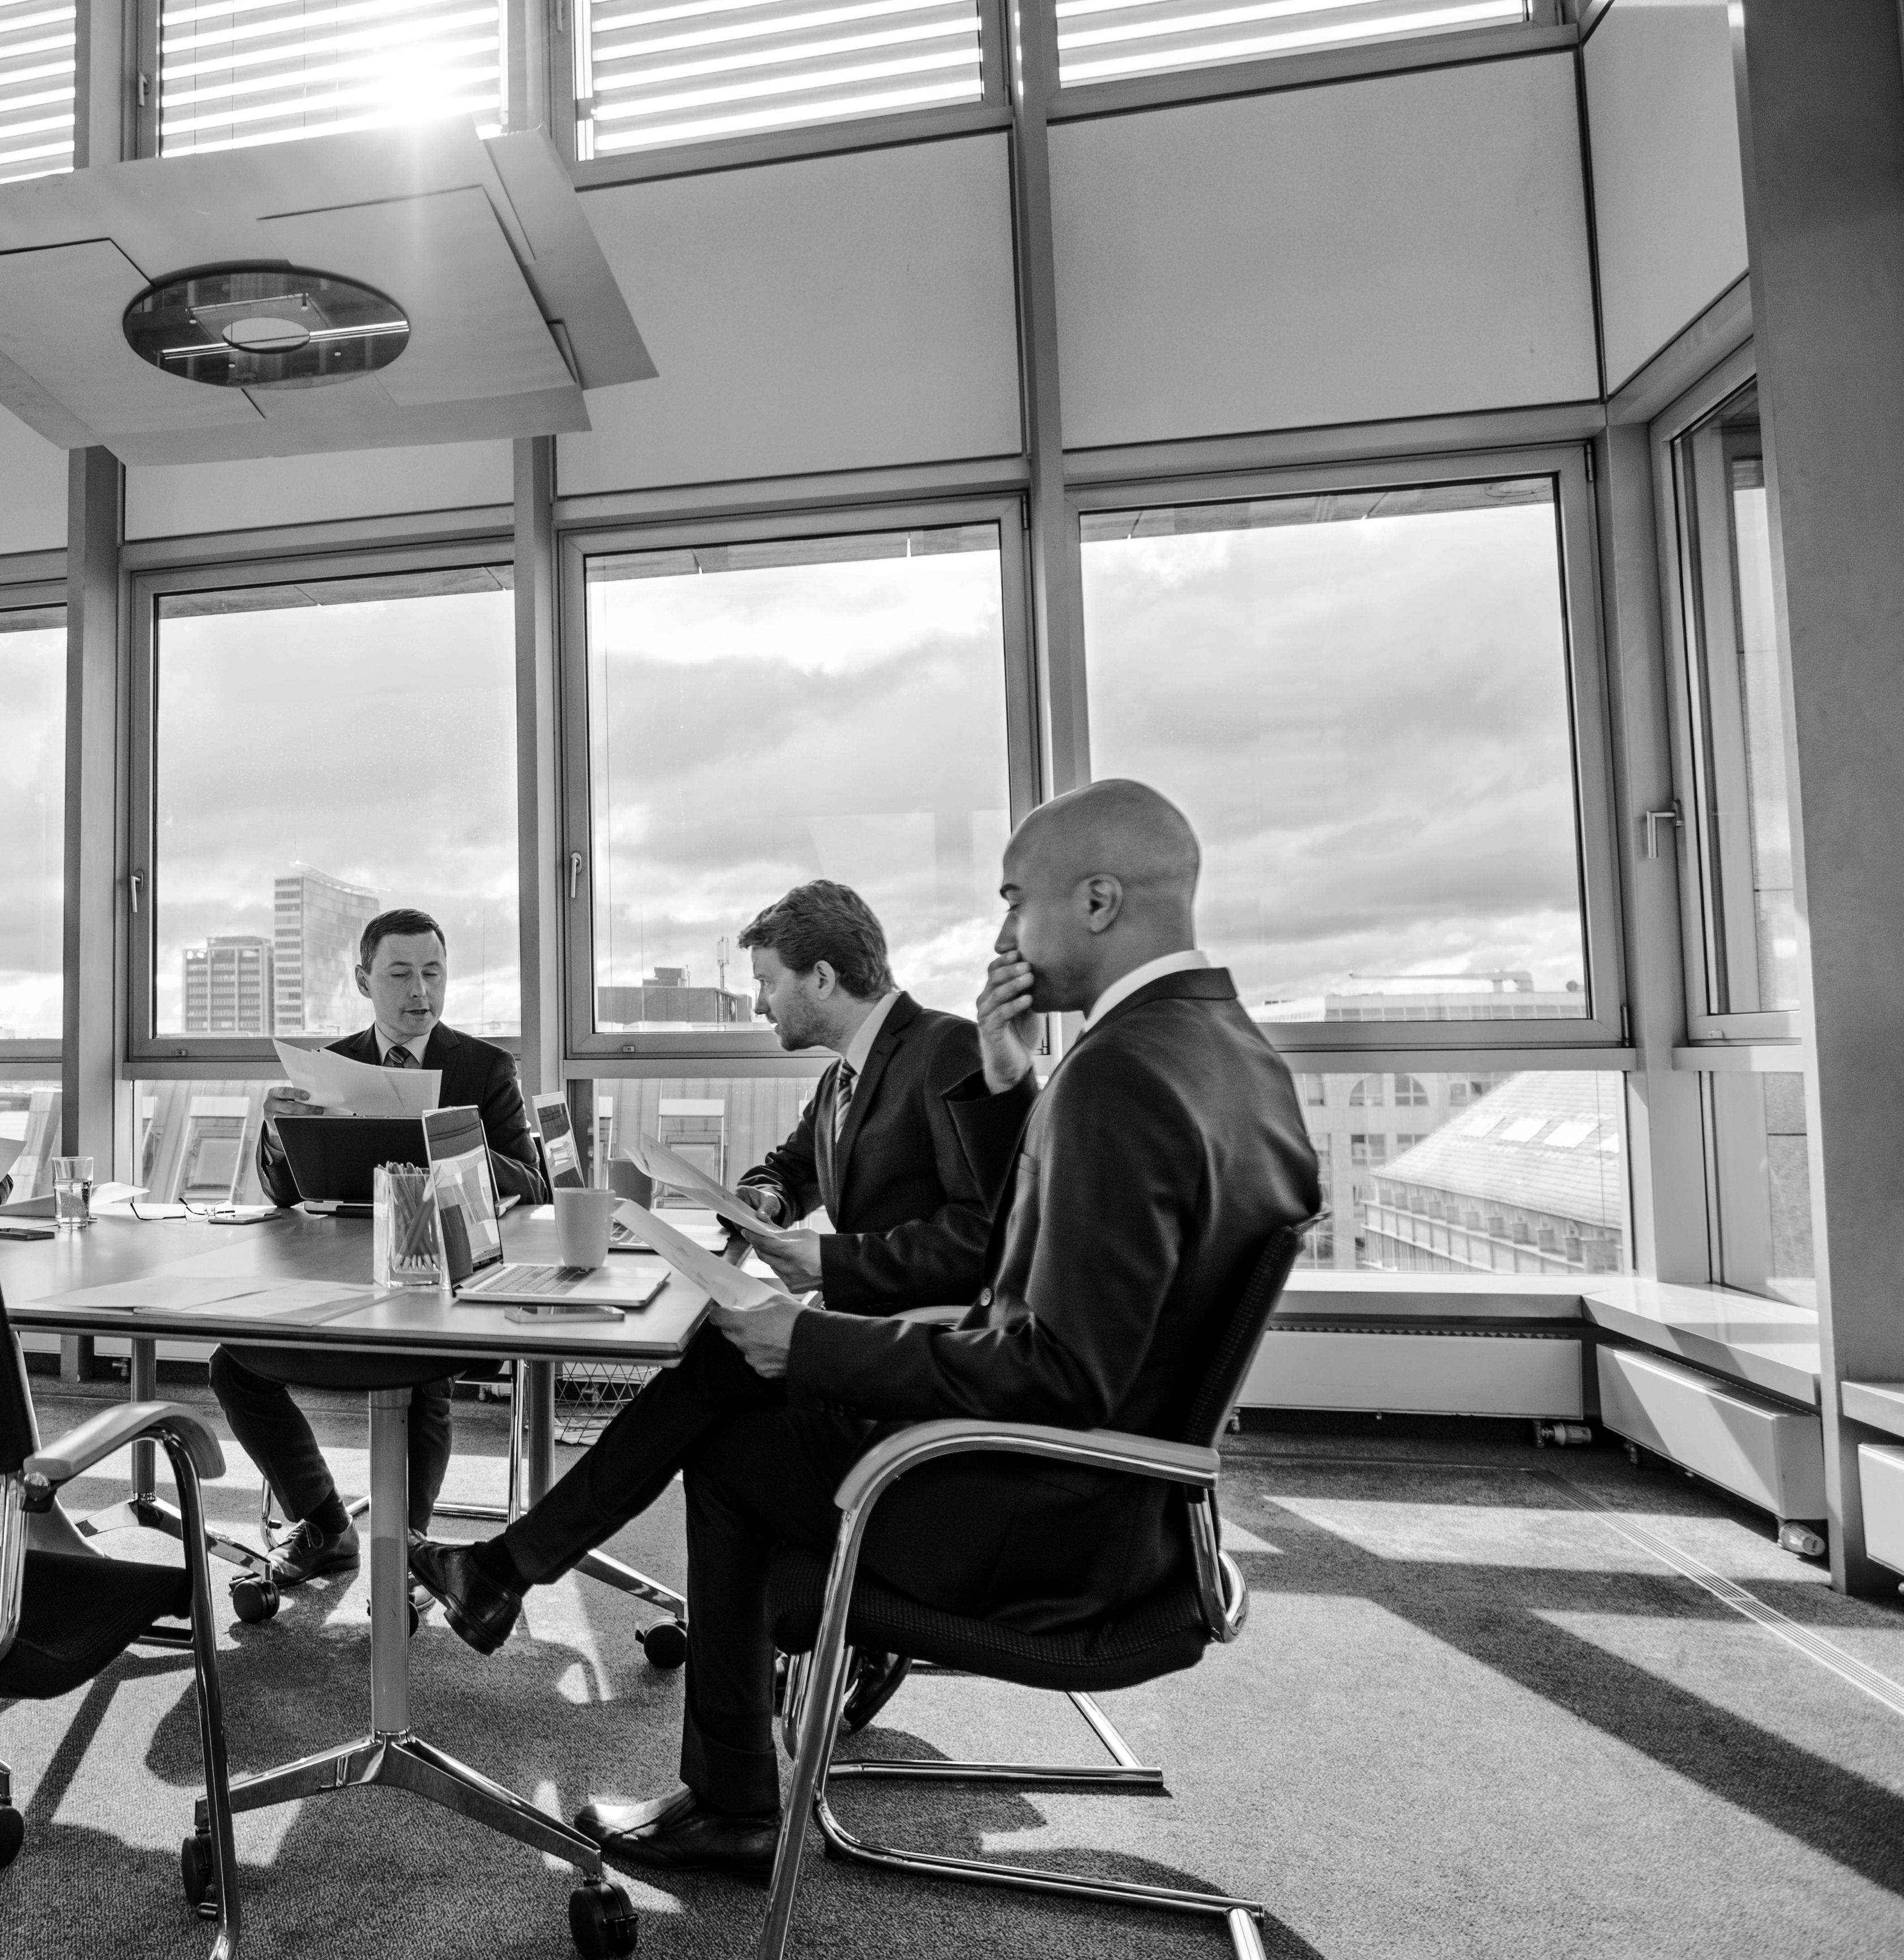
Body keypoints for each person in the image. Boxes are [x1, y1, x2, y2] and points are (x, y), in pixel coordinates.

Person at [412, 781, 1316, 1882]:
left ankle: (724, 1781)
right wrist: (1001, 1084)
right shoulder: (1230, 1053)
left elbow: (1054, 1365)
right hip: (1127, 1507)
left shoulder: (1121, 1073)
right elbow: (1041, 1273)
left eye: (1013, 901)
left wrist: (816, 1340)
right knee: (732, 1367)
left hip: (1052, 1522)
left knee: (736, 1443)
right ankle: (529, 1589)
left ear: (1097, 900)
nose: (999, 935)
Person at [211, 907, 550, 1586]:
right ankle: (327, 1525)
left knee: (421, 1373)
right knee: (233, 1366)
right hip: (339, 1277)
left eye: (433, 972)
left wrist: (454, 1144)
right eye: (401, 974)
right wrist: (280, 1132)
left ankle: (410, 1551)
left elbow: (534, 1185)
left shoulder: (484, 1068)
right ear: (365, 980)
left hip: (437, 1276)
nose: (420, 990)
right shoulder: (332, 1066)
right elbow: (283, 1194)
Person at [717, 879, 1003, 1314]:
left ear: (822, 978)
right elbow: (794, 1170)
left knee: (707, 1357)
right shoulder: (841, 1076)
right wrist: (767, 1197)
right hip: (861, 1317)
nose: (759, 1006)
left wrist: (833, 1263)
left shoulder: (951, 1050)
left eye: (767, 983)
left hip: (917, 1336)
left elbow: (984, 1233)